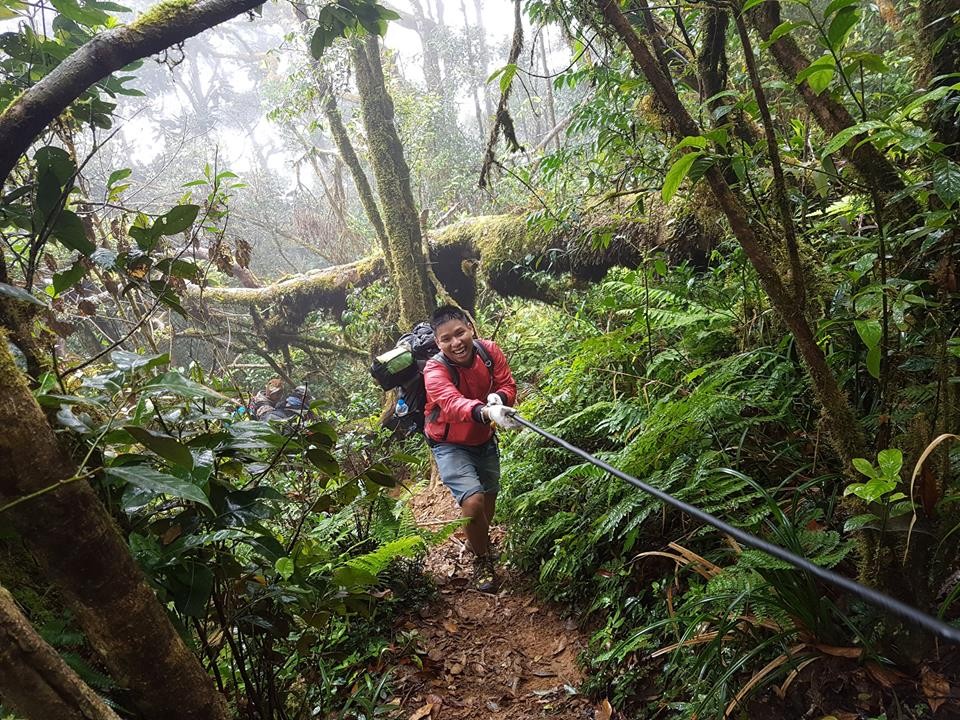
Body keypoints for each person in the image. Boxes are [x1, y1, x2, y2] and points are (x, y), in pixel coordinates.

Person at [423, 305, 520, 592]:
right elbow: (451, 403)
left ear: (470, 328)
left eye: (459, 333)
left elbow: (508, 384)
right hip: (449, 443)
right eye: (445, 339)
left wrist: (498, 397)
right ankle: (482, 559)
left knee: (488, 501)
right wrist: (487, 413)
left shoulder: (489, 352)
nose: (455, 343)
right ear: (437, 343)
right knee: (474, 501)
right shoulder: (434, 369)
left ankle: (480, 541)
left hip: (483, 439)